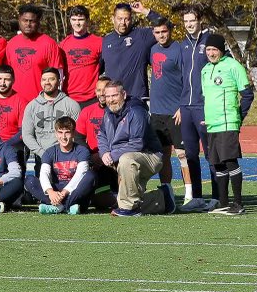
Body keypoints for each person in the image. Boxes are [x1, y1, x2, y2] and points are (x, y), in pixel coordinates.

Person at [97, 80, 176, 217]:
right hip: (124, 158)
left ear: (124, 94)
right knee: (118, 202)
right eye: (108, 96)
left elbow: (137, 144)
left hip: (149, 156)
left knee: (126, 160)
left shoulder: (137, 111)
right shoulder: (108, 113)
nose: (111, 100)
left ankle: (129, 209)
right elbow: (101, 135)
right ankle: (162, 198)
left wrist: (112, 155)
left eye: (114, 96)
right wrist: (104, 153)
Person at [201, 33, 255, 215]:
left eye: (214, 49)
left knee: (229, 161)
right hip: (212, 124)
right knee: (217, 164)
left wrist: (238, 116)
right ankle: (223, 203)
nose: (211, 53)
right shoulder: (205, 70)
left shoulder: (233, 66)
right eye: (208, 49)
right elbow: (209, 98)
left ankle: (238, 204)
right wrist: (207, 116)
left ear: (221, 50)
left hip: (228, 123)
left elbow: (247, 95)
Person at [149, 20, 199, 211]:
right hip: (156, 112)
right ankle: (167, 191)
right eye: (157, 32)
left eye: (164, 31)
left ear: (170, 31)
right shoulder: (152, 50)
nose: (161, 35)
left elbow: (189, 80)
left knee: (182, 154)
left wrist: (182, 106)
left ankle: (189, 194)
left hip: (175, 112)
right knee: (163, 156)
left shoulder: (179, 49)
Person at [177, 4, 217, 207]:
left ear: (199, 20)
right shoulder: (183, 44)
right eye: (186, 21)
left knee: (211, 153)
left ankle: (218, 197)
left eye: (192, 20)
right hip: (186, 106)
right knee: (190, 154)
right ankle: (198, 197)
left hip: (204, 106)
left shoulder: (209, 41)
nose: (189, 24)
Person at [25, 116, 95, 214]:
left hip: (74, 191)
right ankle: (65, 207)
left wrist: (64, 192)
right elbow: (44, 173)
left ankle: (59, 207)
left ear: (73, 133)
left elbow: (80, 174)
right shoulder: (50, 152)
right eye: (60, 132)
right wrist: (50, 192)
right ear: (56, 134)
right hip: (56, 190)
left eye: (67, 132)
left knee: (90, 176)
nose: (63, 137)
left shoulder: (82, 151)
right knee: (29, 180)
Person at [102, 2, 165, 103]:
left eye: (126, 19)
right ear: (112, 19)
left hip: (137, 99)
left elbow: (165, 26)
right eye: (119, 19)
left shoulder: (141, 36)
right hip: (112, 99)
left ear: (131, 19)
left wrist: (144, 11)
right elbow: (98, 70)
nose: (123, 22)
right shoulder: (106, 40)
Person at [21, 68, 81, 167]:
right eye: (44, 80)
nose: (47, 82)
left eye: (51, 79)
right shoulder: (31, 106)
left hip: (67, 156)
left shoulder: (71, 105)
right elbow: (27, 135)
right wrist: (43, 154)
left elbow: (78, 134)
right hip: (41, 156)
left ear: (59, 81)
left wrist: (65, 152)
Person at [5, 4, 62, 104]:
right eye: (25, 20)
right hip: (15, 101)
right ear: (19, 20)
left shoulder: (49, 43)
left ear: (38, 22)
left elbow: (58, 75)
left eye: (32, 21)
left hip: (41, 101)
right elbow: (6, 75)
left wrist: (54, 99)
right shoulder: (11, 44)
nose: (28, 24)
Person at [75, 76, 117, 211]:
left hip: (116, 159)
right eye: (98, 90)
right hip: (96, 162)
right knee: (100, 201)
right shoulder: (87, 111)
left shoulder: (120, 111)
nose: (101, 93)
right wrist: (91, 156)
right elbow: (78, 138)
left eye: (104, 90)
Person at [59, 5, 103, 106]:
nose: (77, 23)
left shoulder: (99, 42)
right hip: (69, 97)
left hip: (92, 97)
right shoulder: (63, 45)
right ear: (70, 21)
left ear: (87, 21)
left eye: (81, 19)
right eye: (74, 19)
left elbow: (103, 66)